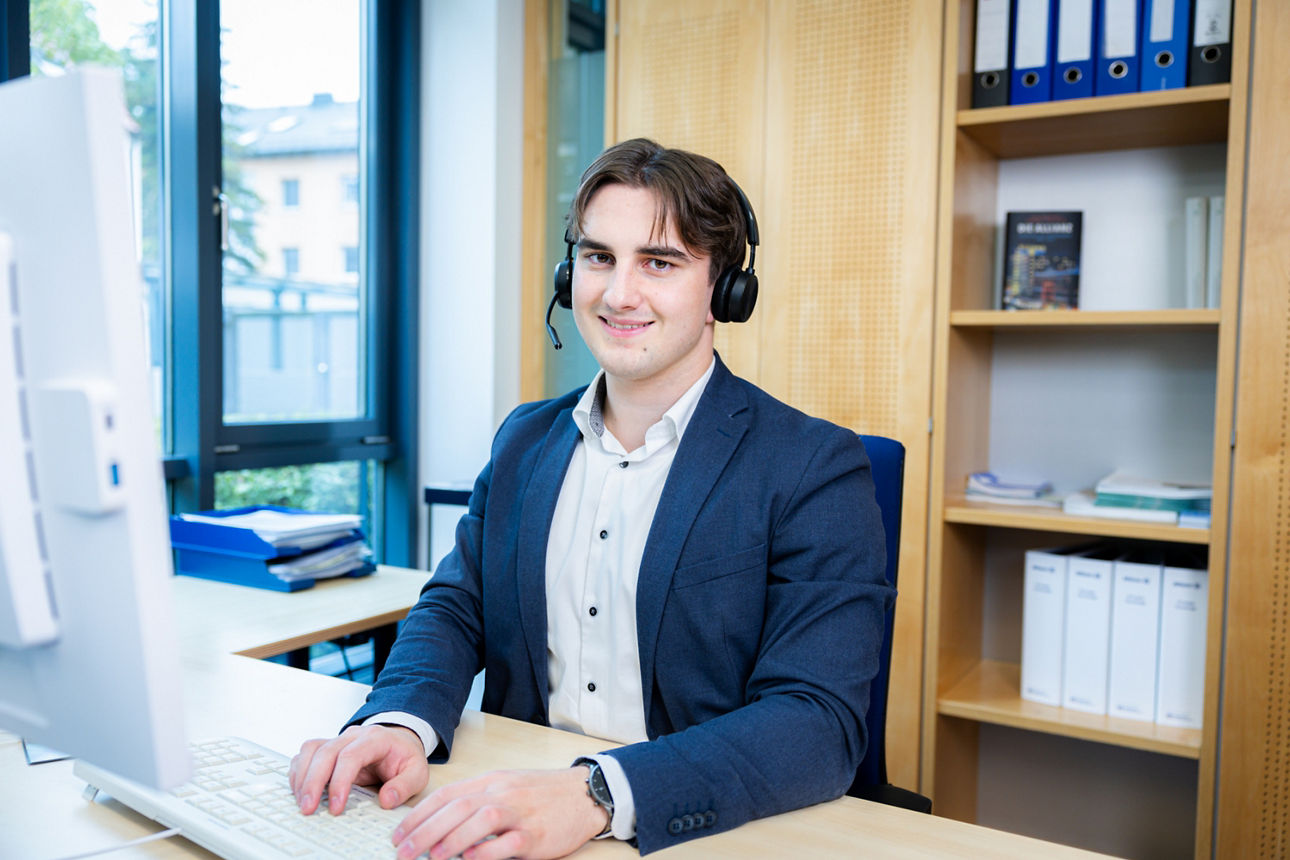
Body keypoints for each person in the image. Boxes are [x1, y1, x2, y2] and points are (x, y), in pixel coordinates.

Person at [289, 138, 893, 858]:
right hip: (514, 810)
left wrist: (596, 792)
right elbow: (456, 607)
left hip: (693, 828)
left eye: (660, 263)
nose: (618, 294)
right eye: (600, 257)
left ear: (723, 291)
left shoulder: (811, 465)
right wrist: (398, 720)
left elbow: (818, 723)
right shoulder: (525, 440)